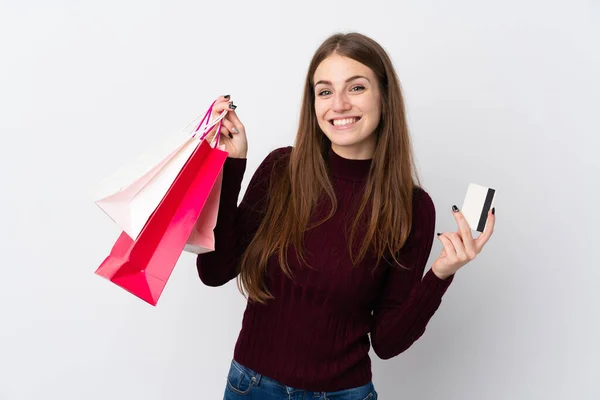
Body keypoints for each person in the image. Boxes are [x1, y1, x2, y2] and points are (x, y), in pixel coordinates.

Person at [197, 32, 495, 400]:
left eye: (355, 88)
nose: (338, 104)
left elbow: (387, 342)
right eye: (324, 91)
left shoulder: (412, 207)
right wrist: (231, 166)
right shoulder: (281, 170)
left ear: (384, 97)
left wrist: (440, 275)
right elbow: (215, 272)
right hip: (251, 388)